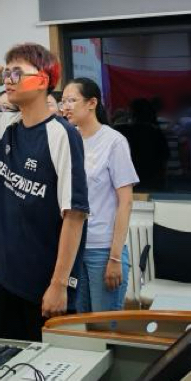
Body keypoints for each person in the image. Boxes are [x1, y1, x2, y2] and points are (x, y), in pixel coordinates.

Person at [0, 43, 88, 342]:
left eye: (17, 73)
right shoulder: (3, 125)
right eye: (7, 73)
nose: (8, 80)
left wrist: (59, 284)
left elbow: (75, 215)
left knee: (35, 364)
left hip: (38, 283)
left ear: (42, 80)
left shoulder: (62, 135)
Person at [60, 78, 138, 314]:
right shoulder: (67, 140)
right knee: (79, 324)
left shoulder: (114, 141)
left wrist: (115, 258)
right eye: (63, 101)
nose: (65, 107)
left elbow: (126, 202)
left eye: (72, 100)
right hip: (73, 248)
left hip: (103, 250)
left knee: (104, 327)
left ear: (92, 103)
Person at [115, 98, 169, 192]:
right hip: (152, 181)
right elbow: (164, 158)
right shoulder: (155, 132)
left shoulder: (121, 130)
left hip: (127, 182)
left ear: (131, 113)